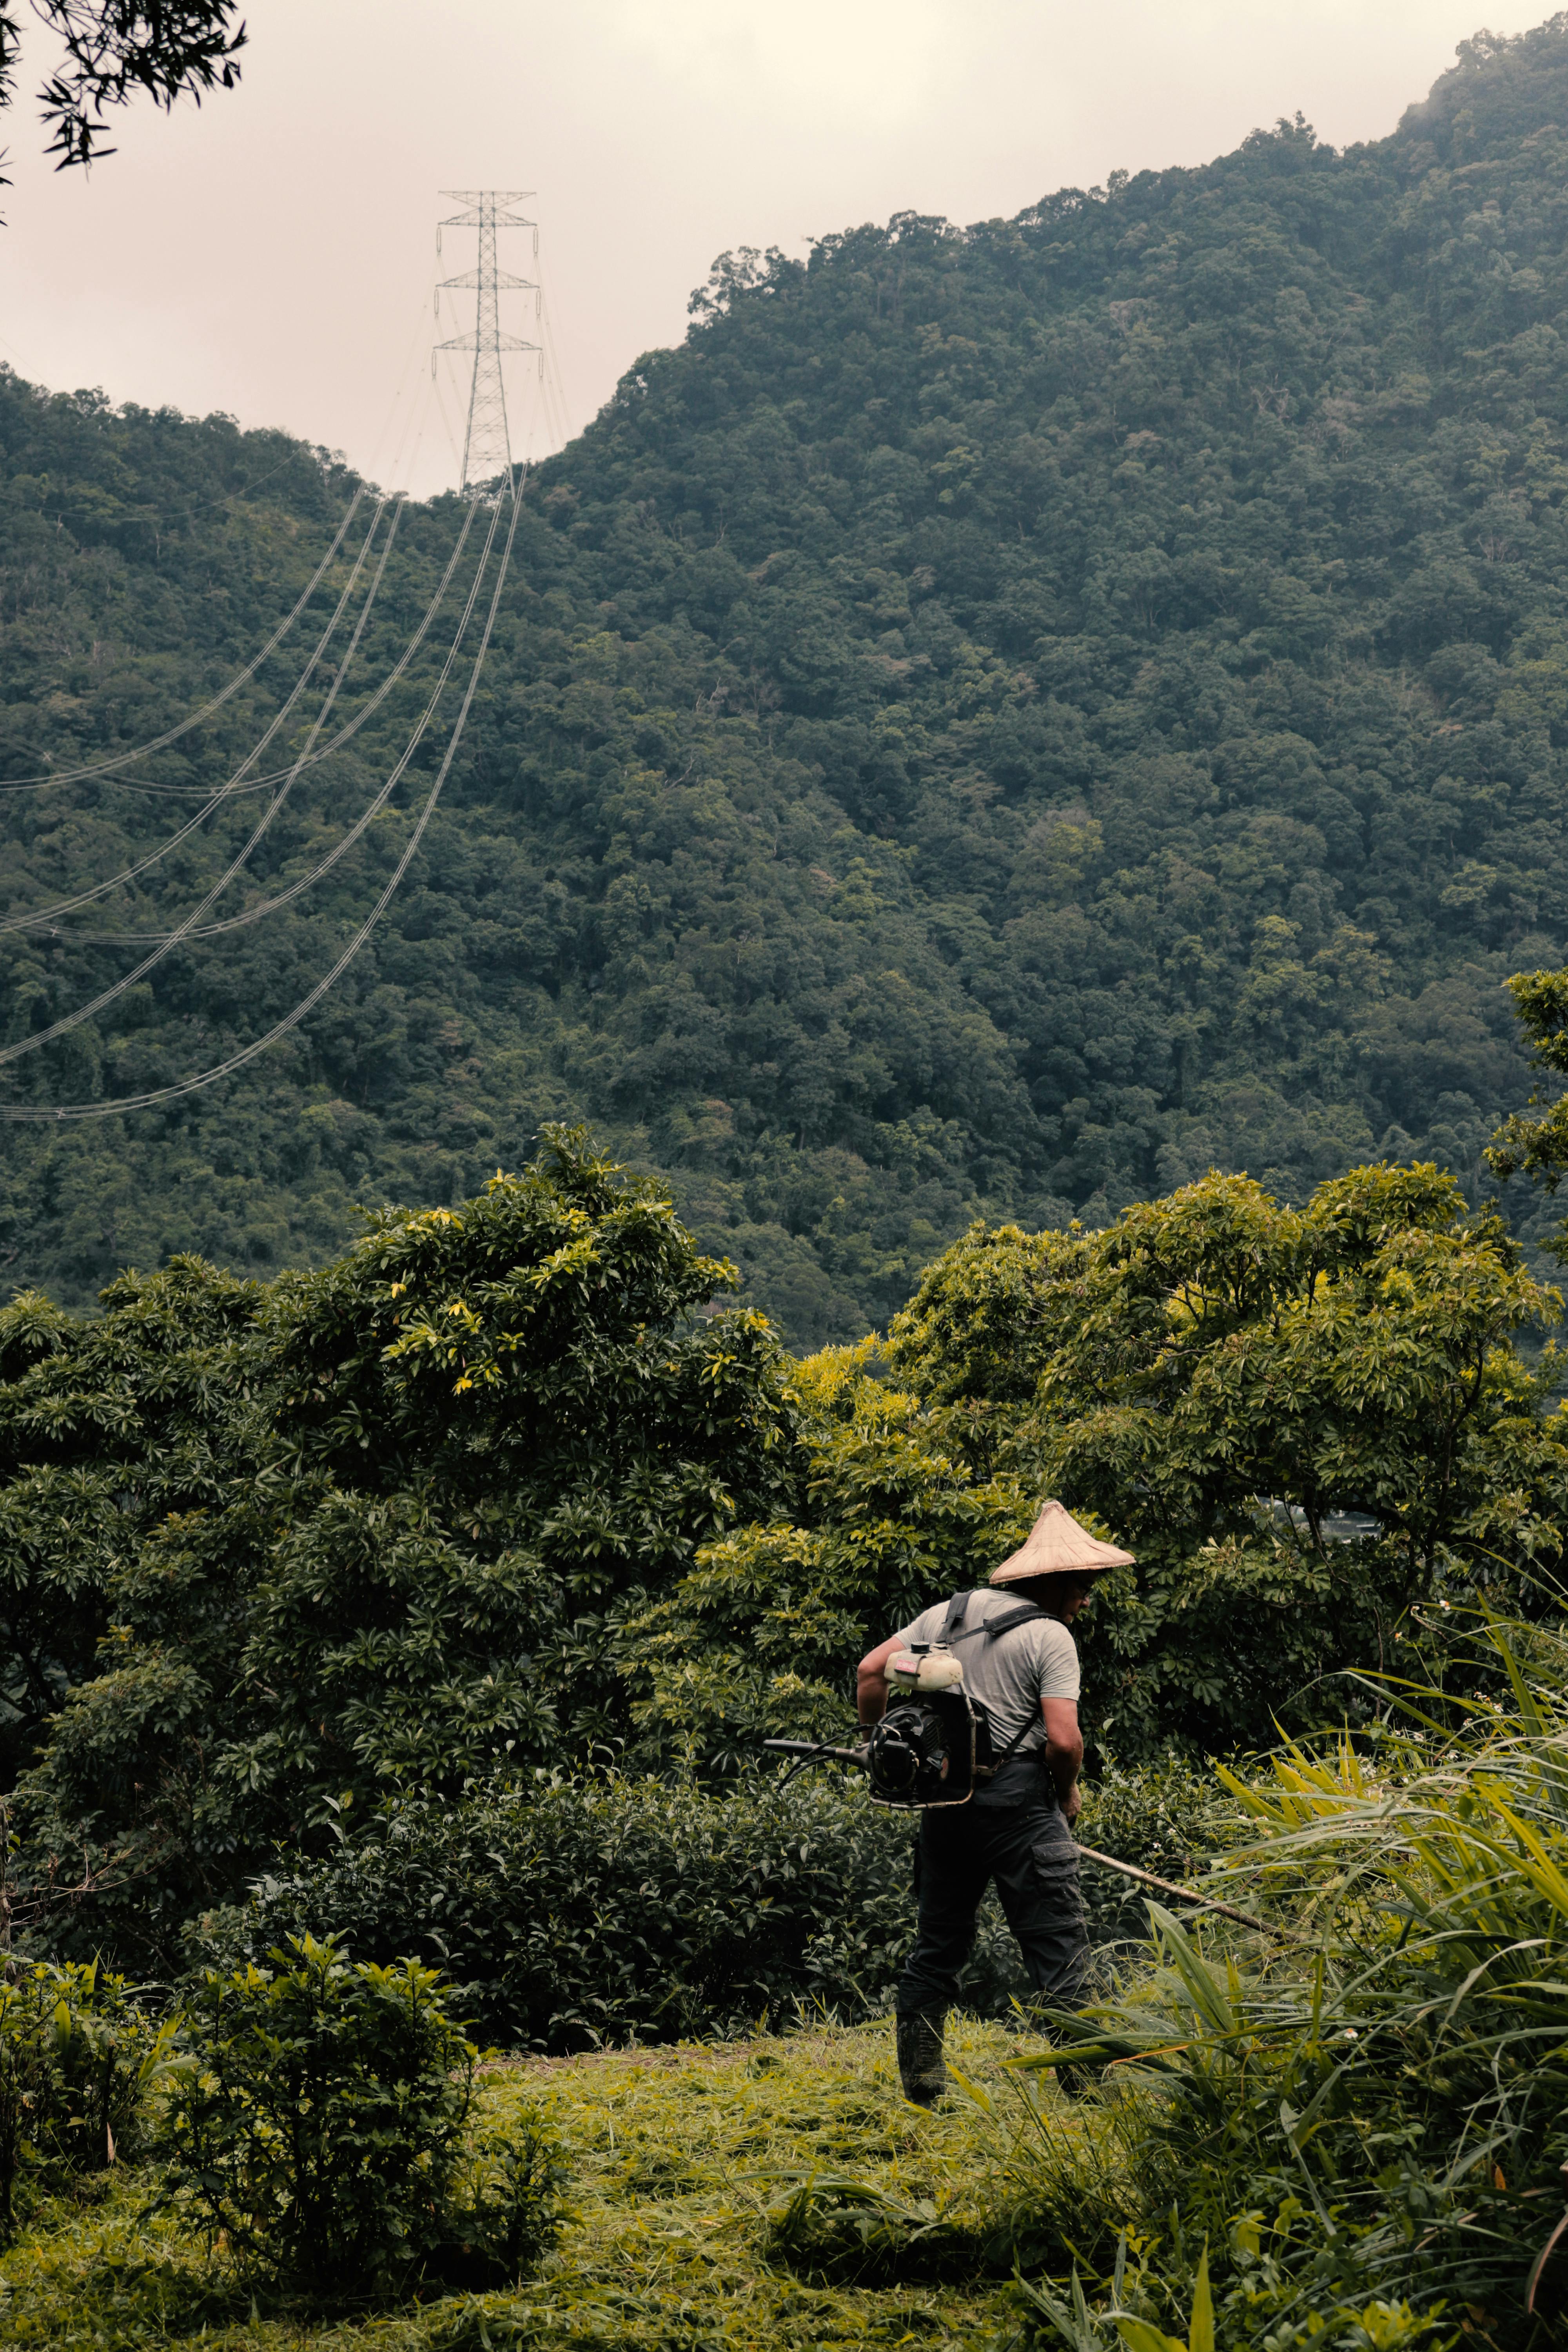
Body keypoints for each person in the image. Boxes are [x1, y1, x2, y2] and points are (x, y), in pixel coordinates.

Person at [856, 1498, 1134, 2107]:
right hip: (1021, 1809)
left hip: (946, 1804)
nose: (1086, 1599)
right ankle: (1087, 2095)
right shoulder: (1050, 1636)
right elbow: (1064, 1740)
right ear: (1055, 1582)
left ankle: (922, 2089)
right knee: (1059, 1951)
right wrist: (1066, 1795)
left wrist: (874, 1745)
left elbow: (871, 1670)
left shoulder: (949, 1613)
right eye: (1084, 1587)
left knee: (937, 1948)